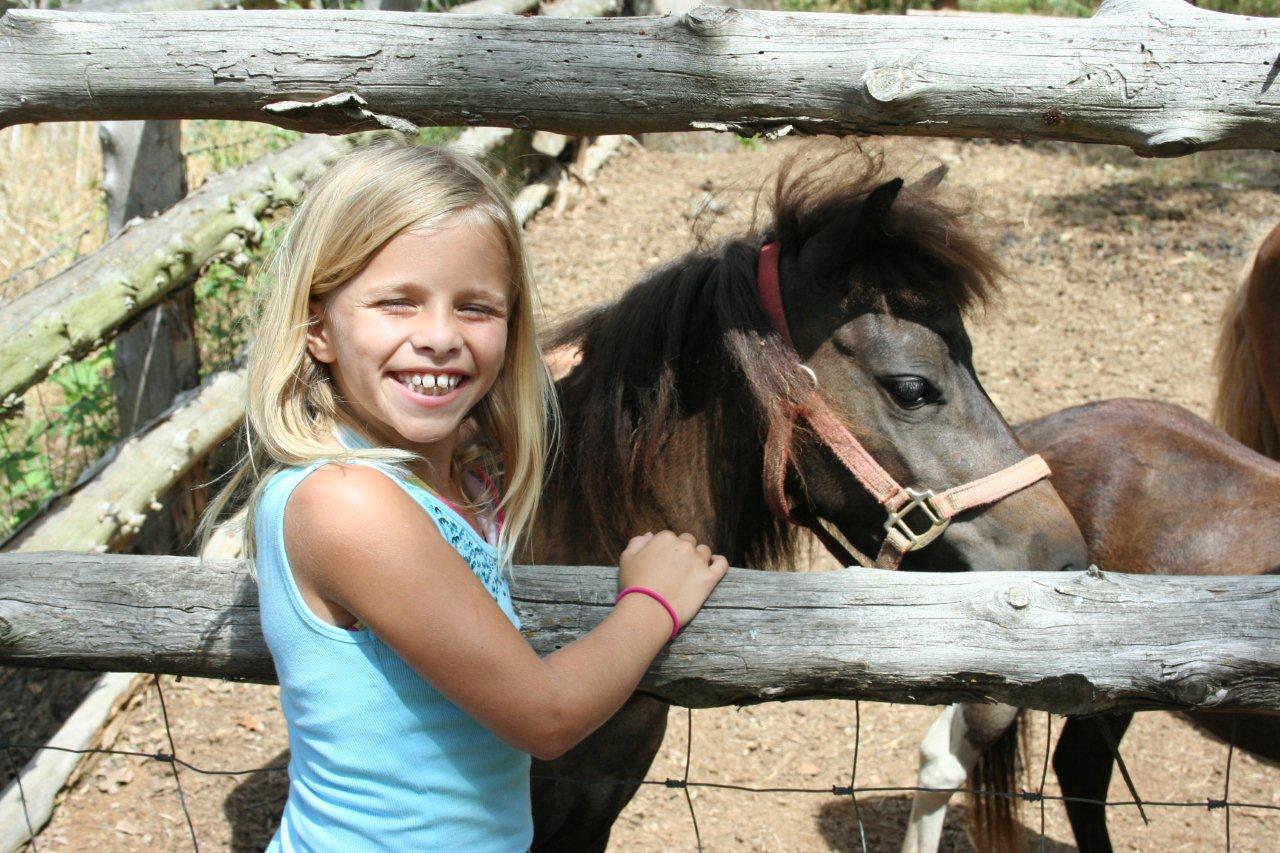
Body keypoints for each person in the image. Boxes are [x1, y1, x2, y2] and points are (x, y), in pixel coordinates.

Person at [197, 141, 729, 851]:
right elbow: (545, 716)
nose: (440, 337)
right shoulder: (344, 503)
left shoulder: (447, 480)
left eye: (476, 308)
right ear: (316, 326)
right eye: (397, 303)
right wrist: (652, 603)